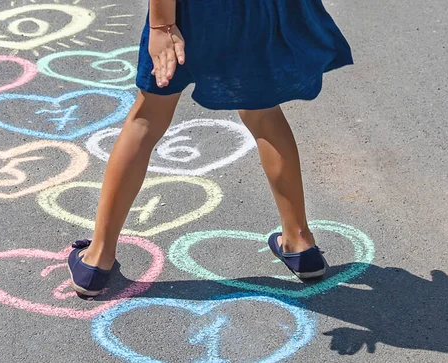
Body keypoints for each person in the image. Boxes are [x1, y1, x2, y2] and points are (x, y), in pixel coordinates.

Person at [67, 0, 354, 296]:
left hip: (190, 11)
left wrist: (162, 24)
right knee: (263, 113)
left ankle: (97, 258)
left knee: (147, 119)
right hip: (253, 10)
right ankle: (299, 243)